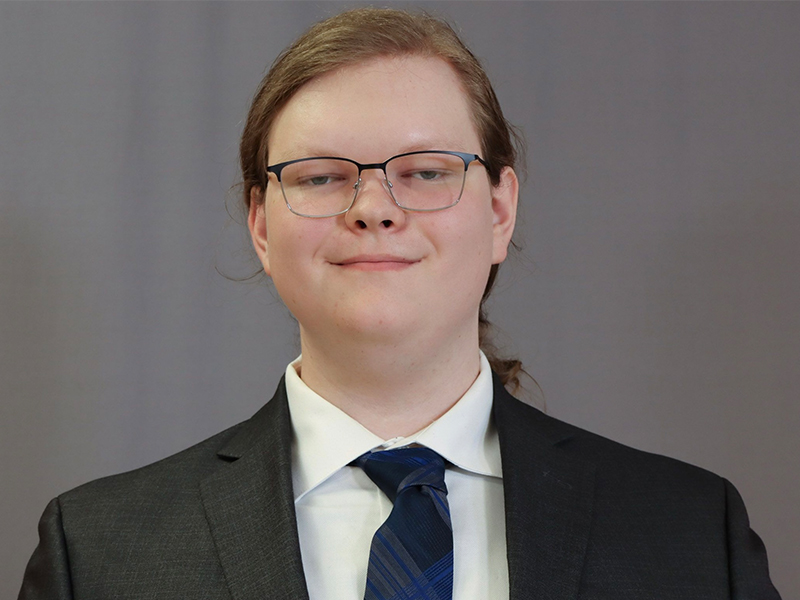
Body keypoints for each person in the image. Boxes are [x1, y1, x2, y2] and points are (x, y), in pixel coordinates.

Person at [19, 7, 780, 600]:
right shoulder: (101, 550)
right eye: (320, 176)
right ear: (259, 223)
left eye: (423, 171)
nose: (374, 208)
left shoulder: (688, 532)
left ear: (500, 210)